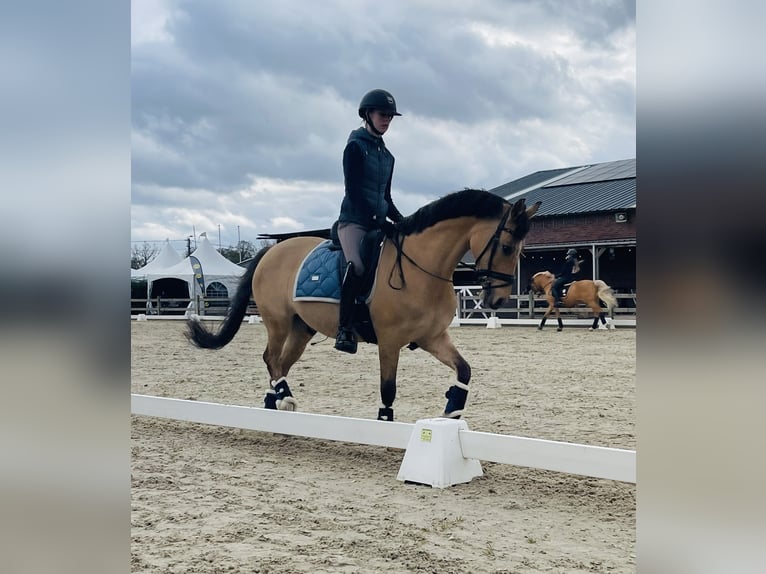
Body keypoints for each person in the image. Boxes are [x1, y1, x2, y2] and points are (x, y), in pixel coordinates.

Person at [334, 89, 405, 354]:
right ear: (367, 114)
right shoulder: (355, 147)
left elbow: (386, 196)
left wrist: (401, 221)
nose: (386, 120)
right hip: (353, 221)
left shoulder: (388, 157)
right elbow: (352, 189)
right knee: (359, 266)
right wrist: (377, 218)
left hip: (377, 223)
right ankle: (344, 328)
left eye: (390, 116)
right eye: (382, 115)